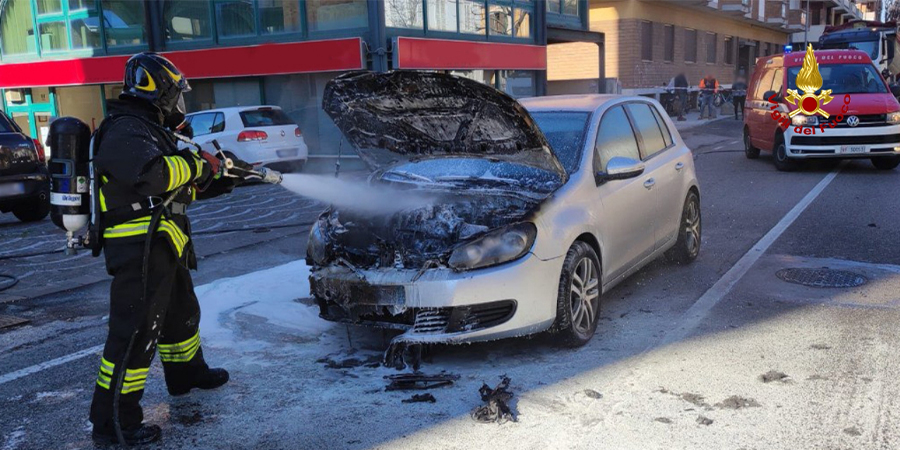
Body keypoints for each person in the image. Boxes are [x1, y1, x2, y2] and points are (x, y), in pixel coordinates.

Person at [88, 52, 251, 446]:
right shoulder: (125, 129)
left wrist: (221, 175)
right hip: (138, 246)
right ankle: (113, 423)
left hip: (162, 241)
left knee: (180, 313)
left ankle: (186, 374)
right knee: (134, 333)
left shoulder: (150, 129)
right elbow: (153, 176)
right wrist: (197, 165)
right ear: (157, 92)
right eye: (176, 94)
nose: (180, 103)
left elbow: (179, 185)